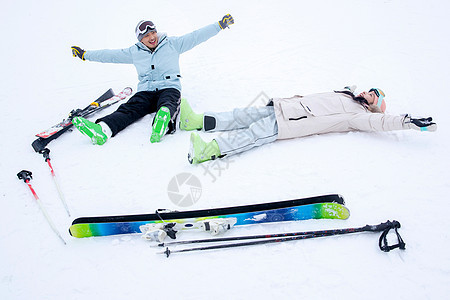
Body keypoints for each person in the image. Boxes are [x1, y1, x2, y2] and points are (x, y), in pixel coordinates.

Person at [70, 15, 234, 145]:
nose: (152, 37)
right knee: (129, 109)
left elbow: (196, 36)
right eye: (147, 35)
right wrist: (85, 55)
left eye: (153, 33)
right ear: (140, 39)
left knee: (168, 103)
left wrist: (219, 25)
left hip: (169, 86)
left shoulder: (172, 44)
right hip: (146, 91)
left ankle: (161, 124)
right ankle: (102, 130)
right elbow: (109, 55)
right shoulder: (134, 52)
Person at [179, 86, 437, 164]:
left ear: (372, 106)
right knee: (242, 115)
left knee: (251, 134)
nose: (367, 94)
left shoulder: (358, 116)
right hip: (285, 107)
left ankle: (207, 151)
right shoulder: (347, 95)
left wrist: (406, 122)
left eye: (373, 97)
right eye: (369, 91)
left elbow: (380, 122)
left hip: (293, 122)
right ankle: (197, 121)